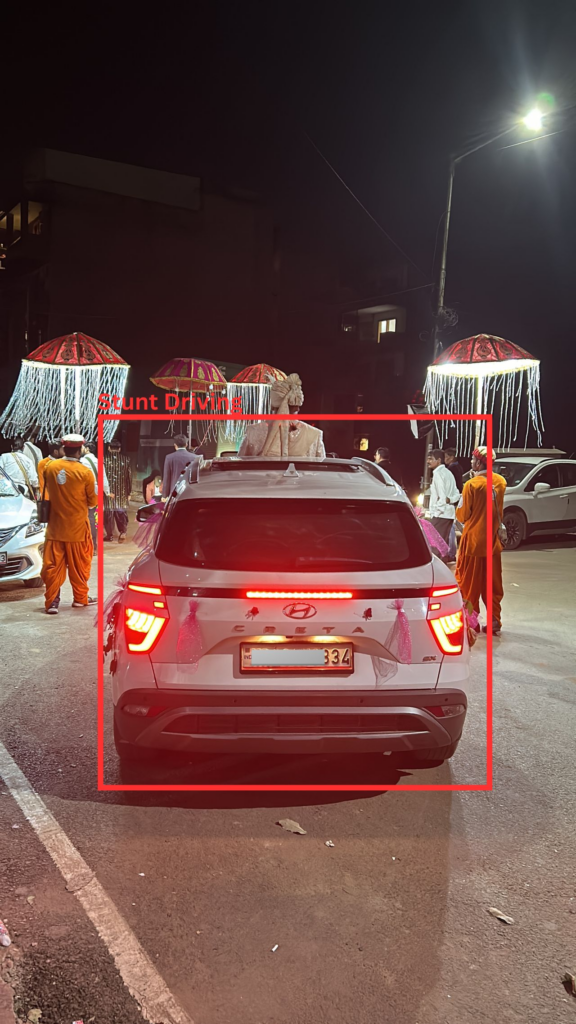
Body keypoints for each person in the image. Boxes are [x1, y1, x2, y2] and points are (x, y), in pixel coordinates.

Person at [41, 433, 97, 614]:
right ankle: (80, 598)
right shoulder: (85, 472)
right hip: (77, 529)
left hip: (55, 528)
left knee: (52, 566)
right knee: (79, 565)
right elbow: (93, 502)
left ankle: (52, 602)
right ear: (80, 450)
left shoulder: (49, 467)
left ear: (63, 449)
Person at [456, 446, 507, 635]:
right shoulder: (500, 482)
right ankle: (494, 620)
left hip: (473, 543)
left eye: (473, 459)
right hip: (492, 542)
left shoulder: (472, 485)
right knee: (492, 583)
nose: (471, 462)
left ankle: (472, 622)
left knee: (469, 584)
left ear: (478, 463)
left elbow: (462, 515)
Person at [238, 374, 325, 457]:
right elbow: (323, 466)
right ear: (297, 407)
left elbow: (239, 464)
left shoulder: (252, 431)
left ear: (272, 405)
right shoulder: (315, 434)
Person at [427, 449, 460, 560]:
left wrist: (436, 512)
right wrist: (449, 500)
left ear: (439, 460)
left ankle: (437, 568)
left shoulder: (438, 474)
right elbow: (456, 494)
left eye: (431, 459)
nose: (428, 461)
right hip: (448, 514)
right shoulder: (448, 473)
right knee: (443, 545)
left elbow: (441, 497)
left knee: (435, 546)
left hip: (441, 514)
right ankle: (443, 565)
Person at [81, 442, 111, 544]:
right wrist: (107, 492)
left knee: (88, 517)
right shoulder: (98, 462)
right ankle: (93, 542)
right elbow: (104, 479)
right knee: (94, 517)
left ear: (87, 449)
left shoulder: (82, 461)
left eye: (82, 447)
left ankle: (91, 543)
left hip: (86, 492)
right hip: (98, 493)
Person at [103, 439, 132, 543]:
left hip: (108, 491)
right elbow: (129, 478)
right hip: (122, 491)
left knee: (108, 513)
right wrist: (129, 492)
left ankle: (109, 535)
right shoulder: (126, 460)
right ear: (119, 449)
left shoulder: (103, 460)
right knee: (121, 512)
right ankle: (122, 532)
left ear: (109, 448)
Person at [443, 447, 463, 561]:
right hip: (456, 499)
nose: (445, 459)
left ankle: (450, 553)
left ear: (452, 457)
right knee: (452, 526)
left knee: (450, 527)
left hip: (451, 500)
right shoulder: (458, 467)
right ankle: (451, 552)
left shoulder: (451, 469)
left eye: (446, 457)